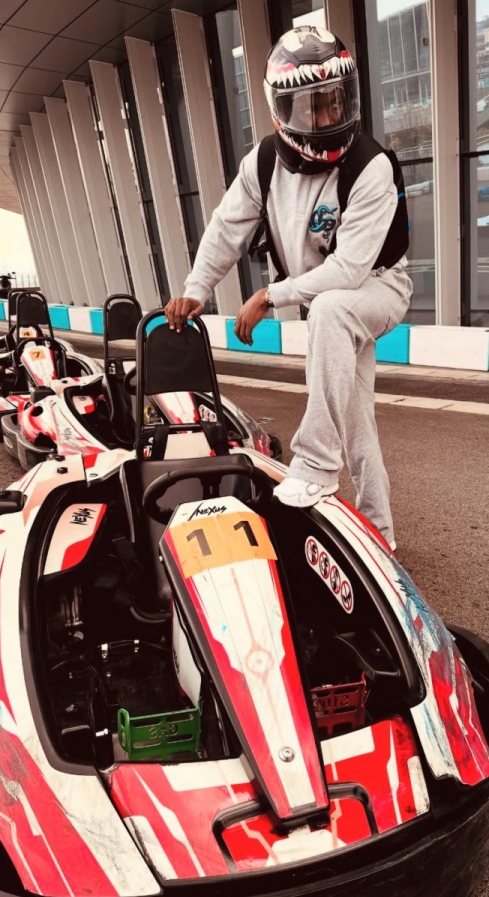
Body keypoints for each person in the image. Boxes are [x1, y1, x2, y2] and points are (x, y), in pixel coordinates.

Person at [164, 25, 412, 549]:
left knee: (331, 310)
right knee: (355, 415)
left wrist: (269, 295)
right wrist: (196, 288)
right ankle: (381, 532)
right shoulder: (261, 162)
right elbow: (226, 229)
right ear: (282, 108)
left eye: (335, 99)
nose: (327, 116)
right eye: (312, 106)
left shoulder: (372, 166)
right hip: (327, 300)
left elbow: (348, 272)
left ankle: (316, 464)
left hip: (380, 288)